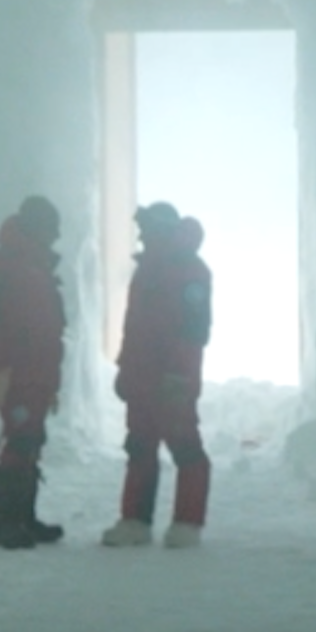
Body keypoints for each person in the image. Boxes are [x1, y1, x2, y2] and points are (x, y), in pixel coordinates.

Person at [104, 201, 214, 548]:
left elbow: (194, 331)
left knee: (186, 448)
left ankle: (187, 523)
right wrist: (125, 369)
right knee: (140, 446)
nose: (141, 235)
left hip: (172, 381)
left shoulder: (192, 271)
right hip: (142, 378)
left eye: (146, 228)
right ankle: (135, 521)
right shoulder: (147, 270)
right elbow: (133, 328)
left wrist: (180, 376)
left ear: (160, 228)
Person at [0, 195, 68, 548]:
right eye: (51, 229)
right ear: (35, 227)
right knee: (20, 440)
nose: (54, 237)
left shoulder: (38, 267)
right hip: (15, 374)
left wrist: (51, 379)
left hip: (38, 374)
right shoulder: (0, 265)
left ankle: (24, 518)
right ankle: (8, 526)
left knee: (32, 440)